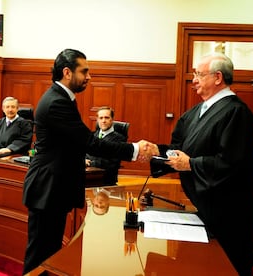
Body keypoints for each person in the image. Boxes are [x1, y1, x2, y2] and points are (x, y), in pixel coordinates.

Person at [21, 48, 157, 274]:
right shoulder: (57, 102)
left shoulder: (62, 97)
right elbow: (90, 142)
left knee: (50, 253)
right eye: (84, 71)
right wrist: (134, 149)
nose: (89, 77)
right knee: (40, 257)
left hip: (53, 188)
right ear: (67, 72)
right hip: (47, 187)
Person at [155, 53, 253, 276]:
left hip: (227, 214)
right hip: (203, 205)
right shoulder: (198, 110)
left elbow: (231, 163)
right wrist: (156, 152)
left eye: (199, 74)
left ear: (218, 77)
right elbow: (180, 147)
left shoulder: (236, 112)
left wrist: (191, 164)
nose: (193, 80)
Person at [85, 106, 126, 185]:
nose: (103, 121)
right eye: (101, 118)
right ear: (97, 120)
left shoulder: (119, 139)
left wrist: (90, 163)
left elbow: (111, 163)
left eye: (106, 118)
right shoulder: (92, 136)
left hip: (106, 181)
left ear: (112, 119)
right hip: (88, 178)